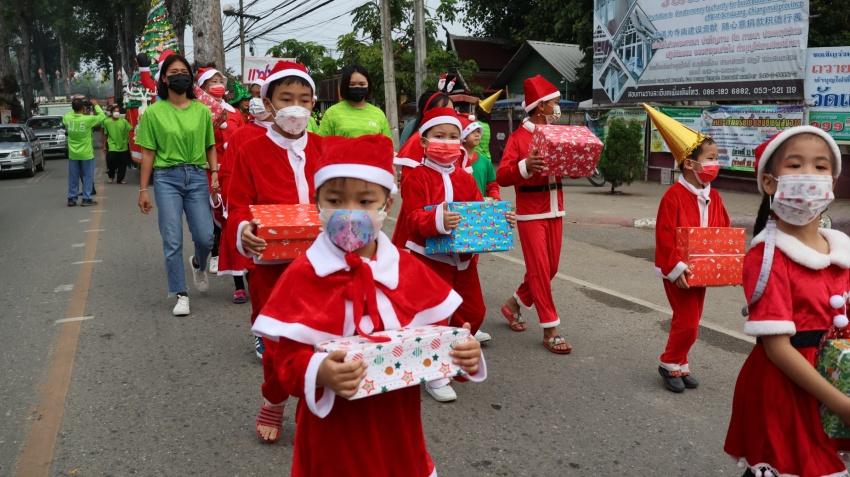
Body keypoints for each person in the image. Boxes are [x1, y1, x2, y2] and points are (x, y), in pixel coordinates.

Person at [251, 133, 486, 475]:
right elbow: (284, 360)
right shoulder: (304, 274)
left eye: (364, 201)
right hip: (334, 434)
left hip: (398, 431)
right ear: (317, 203)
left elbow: (432, 345)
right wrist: (319, 371)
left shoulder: (405, 269)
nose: (350, 213)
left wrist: (462, 355)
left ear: (386, 205)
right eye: (335, 200)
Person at [724, 126, 849, 477]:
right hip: (787, 390)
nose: (809, 174)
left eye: (820, 166)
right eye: (795, 165)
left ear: (833, 182)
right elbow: (778, 349)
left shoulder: (841, 250)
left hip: (835, 379)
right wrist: (842, 405)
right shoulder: (767, 257)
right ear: (769, 182)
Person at [225, 60, 322, 444]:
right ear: (268, 103)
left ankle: (315, 406)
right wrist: (244, 230)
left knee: (323, 335)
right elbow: (238, 206)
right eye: (286, 99)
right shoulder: (250, 150)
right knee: (277, 341)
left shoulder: (326, 149)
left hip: (324, 263)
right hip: (272, 267)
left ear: (313, 104)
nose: (296, 108)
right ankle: (275, 398)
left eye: (304, 100)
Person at [392, 106, 513, 402]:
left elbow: (477, 211)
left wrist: (499, 220)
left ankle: (451, 358)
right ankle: (434, 373)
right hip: (428, 260)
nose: (446, 143)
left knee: (474, 313)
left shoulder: (465, 178)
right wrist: (437, 220)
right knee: (435, 317)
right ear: (424, 141)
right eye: (439, 136)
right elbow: (411, 219)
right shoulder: (417, 177)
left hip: (463, 261)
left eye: (452, 137)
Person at [644, 104, 730, 393]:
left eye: (716, 158)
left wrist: (725, 264)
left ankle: (681, 363)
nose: (715, 164)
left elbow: (723, 232)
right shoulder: (673, 196)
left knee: (692, 319)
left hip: (702, 271)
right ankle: (669, 362)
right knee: (688, 322)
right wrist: (676, 268)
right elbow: (665, 236)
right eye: (710, 159)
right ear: (690, 164)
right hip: (678, 271)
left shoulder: (715, 197)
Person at [135, 53, 218, 317]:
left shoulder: (201, 111)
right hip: (166, 178)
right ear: (163, 79)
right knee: (172, 239)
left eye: (184, 72)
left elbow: (210, 145)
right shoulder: (154, 113)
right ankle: (180, 293)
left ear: (190, 78)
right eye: (173, 73)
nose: (179, 76)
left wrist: (215, 173)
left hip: (196, 176)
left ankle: (198, 262)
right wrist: (143, 190)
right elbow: (148, 152)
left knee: (206, 237)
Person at [496, 75, 571, 354]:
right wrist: (525, 166)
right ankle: (551, 329)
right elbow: (503, 176)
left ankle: (513, 304)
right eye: (555, 102)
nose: (557, 108)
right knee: (539, 271)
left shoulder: (558, 134)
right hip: (530, 213)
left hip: (555, 209)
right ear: (540, 106)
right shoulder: (518, 138)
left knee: (550, 269)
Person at [213, 97, 273, 305]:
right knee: (240, 237)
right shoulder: (242, 134)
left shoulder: (291, 135)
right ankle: (240, 285)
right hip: (245, 197)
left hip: (272, 202)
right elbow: (229, 169)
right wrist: (229, 198)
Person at [317, 64, 391, 138]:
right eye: (352, 84)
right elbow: (320, 142)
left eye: (362, 84)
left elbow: (388, 143)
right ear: (345, 86)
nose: (357, 87)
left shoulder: (378, 114)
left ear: (368, 86)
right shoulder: (331, 113)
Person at [63, 97, 106, 207]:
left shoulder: (67, 118)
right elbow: (102, 116)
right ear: (83, 107)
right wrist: (95, 105)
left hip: (73, 154)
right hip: (86, 154)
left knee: (73, 177)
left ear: (73, 108)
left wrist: (78, 106)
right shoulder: (88, 119)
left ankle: (71, 199)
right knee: (87, 177)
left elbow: (71, 112)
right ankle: (86, 199)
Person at [459, 113, 500, 200]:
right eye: (472, 131)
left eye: (478, 131)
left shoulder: (485, 162)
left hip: (480, 206)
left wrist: (495, 198)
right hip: (460, 206)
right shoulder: (456, 162)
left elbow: (492, 185)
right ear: (463, 135)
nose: (477, 135)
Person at [101, 105, 133, 184]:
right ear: (111, 112)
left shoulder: (124, 121)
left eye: (118, 111)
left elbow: (131, 129)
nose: (116, 113)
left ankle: (120, 179)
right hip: (112, 144)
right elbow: (105, 134)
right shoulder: (107, 122)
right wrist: (104, 146)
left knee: (123, 163)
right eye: (115, 111)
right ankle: (111, 176)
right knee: (111, 160)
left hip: (123, 144)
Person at [474, 89, 501, 161]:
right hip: (487, 158)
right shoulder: (487, 126)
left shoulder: (476, 125)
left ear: (478, 113)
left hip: (478, 159)